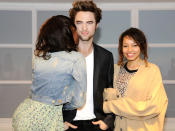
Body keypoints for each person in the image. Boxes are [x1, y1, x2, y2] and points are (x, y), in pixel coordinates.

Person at [12, 15, 87, 131]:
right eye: (75, 29)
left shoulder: (38, 55)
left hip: (24, 113)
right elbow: (78, 100)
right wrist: (63, 108)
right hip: (49, 118)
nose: (78, 33)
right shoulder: (76, 58)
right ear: (67, 33)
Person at [103, 27, 168, 131]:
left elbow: (154, 106)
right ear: (121, 48)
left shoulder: (152, 70)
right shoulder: (115, 69)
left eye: (134, 45)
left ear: (141, 46)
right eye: (125, 46)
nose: (129, 50)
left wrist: (111, 106)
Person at [63, 1, 114, 131]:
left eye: (89, 22)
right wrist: (59, 122)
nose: (84, 28)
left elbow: (111, 91)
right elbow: (52, 92)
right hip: (69, 125)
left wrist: (108, 121)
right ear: (73, 25)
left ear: (96, 25)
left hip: (97, 124)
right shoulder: (63, 56)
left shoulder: (106, 57)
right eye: (79, 22)